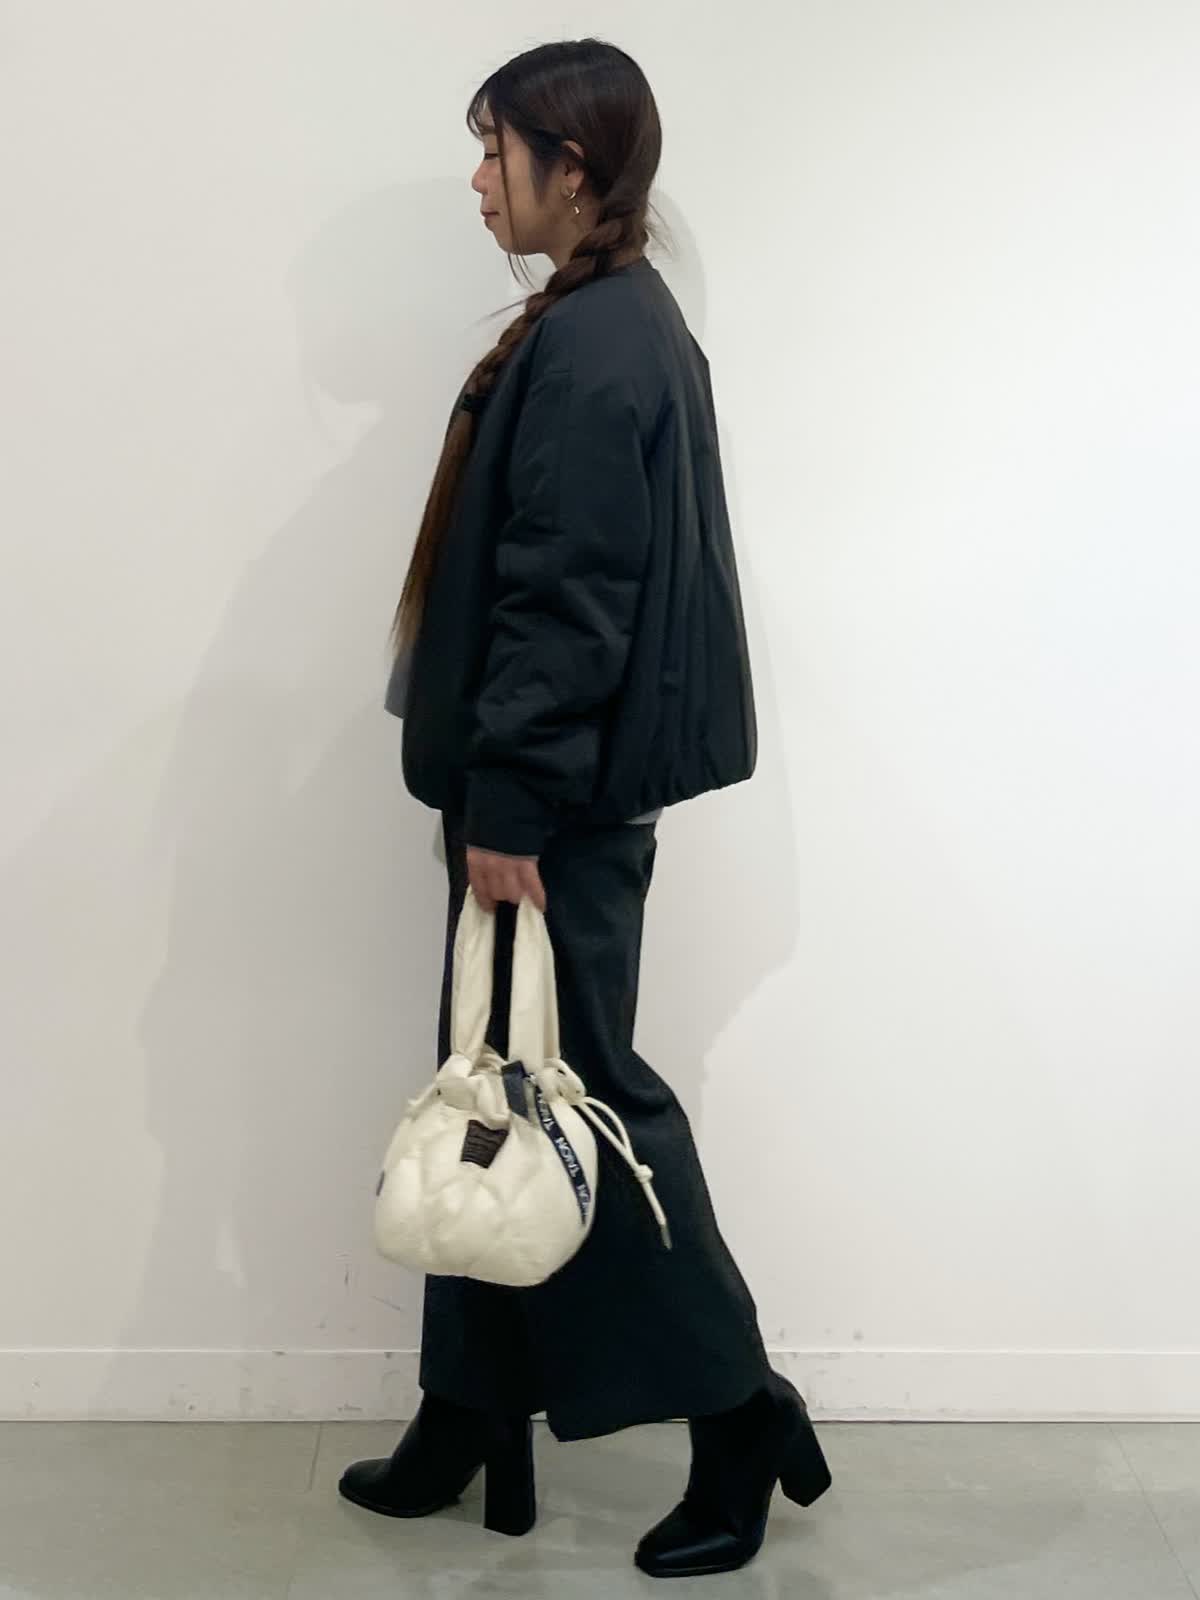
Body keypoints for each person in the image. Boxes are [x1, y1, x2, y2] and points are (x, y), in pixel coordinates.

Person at [337, 37, 831, 1579]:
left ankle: (740, 1413)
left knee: (588, 1100)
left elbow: (570, 595)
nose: (478, 181)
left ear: (572, 166)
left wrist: (512, 800)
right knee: (496, 1091)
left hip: (550, 808)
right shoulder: (595, 322)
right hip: (540, 795)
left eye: (496, 150)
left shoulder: (602, 343)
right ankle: (470, 1412)